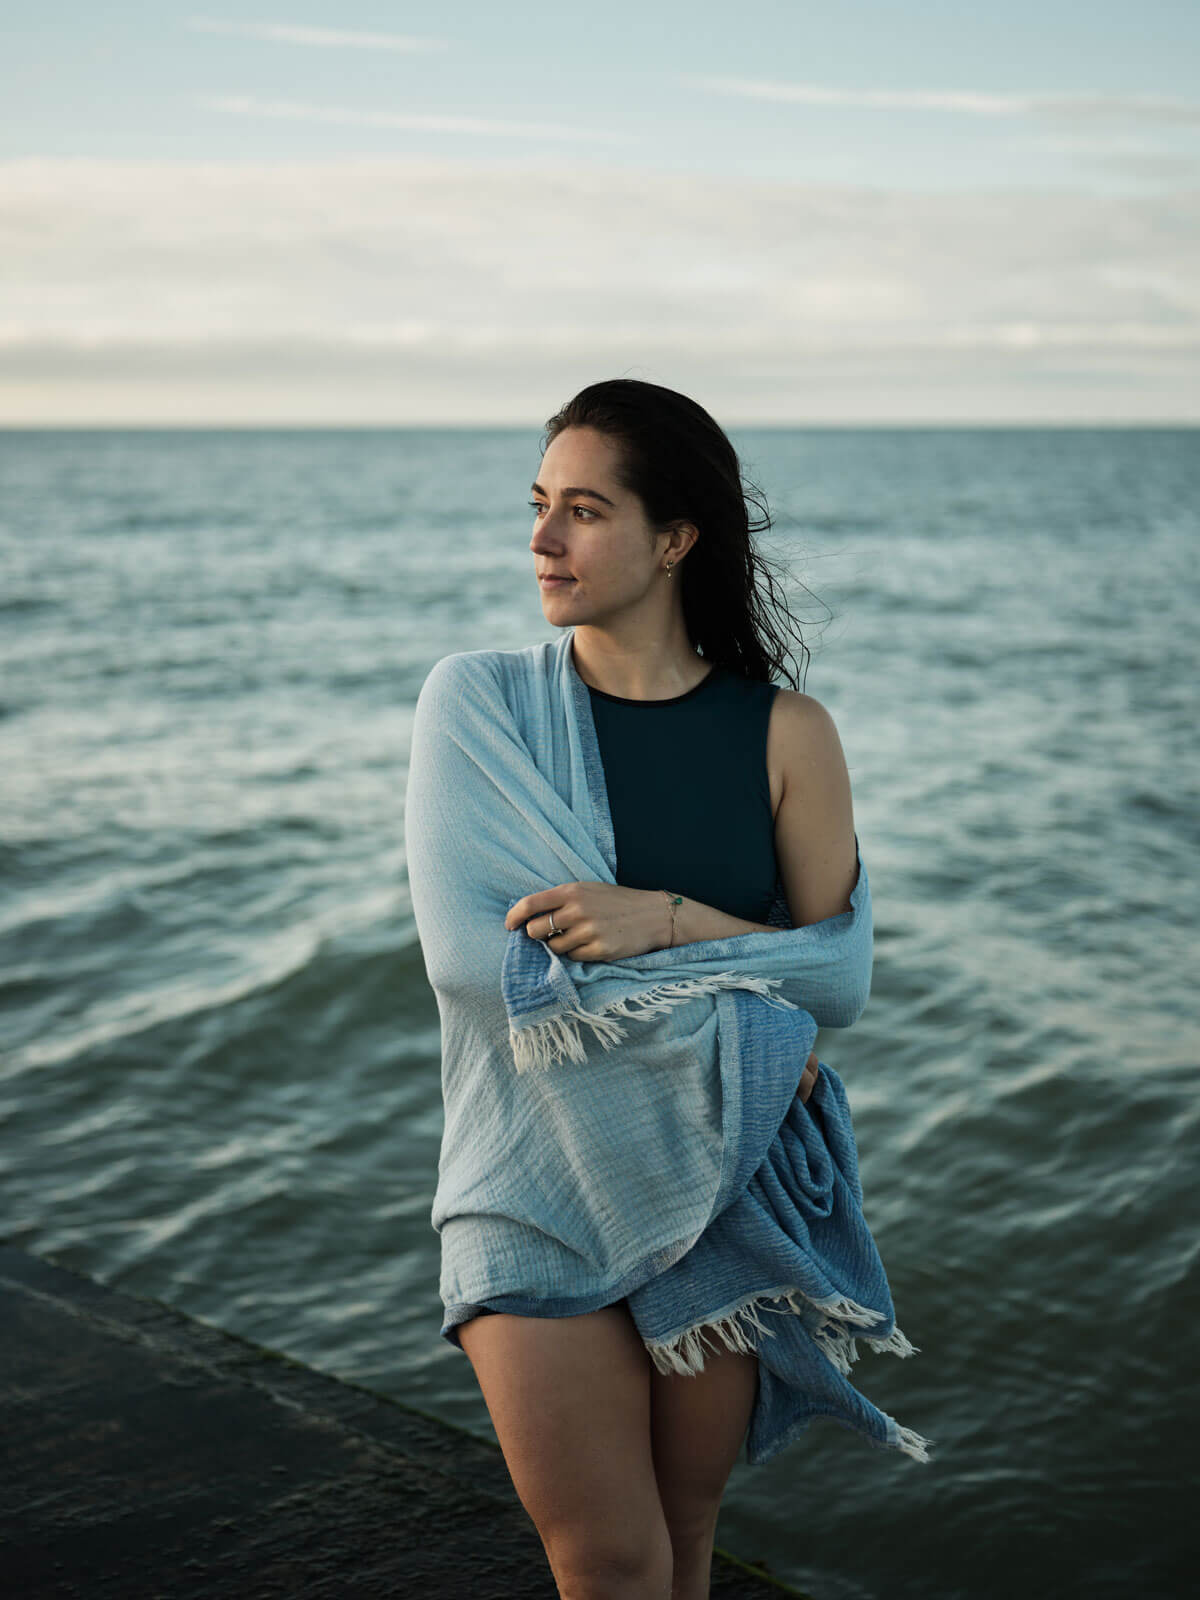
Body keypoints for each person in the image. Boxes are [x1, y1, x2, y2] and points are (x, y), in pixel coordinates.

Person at [442, 378, 858, 1600]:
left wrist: (658, 922)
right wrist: (745, 971)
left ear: (674, 539)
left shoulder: (789, 733)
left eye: (584, 509)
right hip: (535, 1181)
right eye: (538, 505)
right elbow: (485, 966)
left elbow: (833, 979)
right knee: (612, 1562)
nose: (542, 538)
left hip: (718, 1189)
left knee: (684, 1542)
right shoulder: (480, 708)